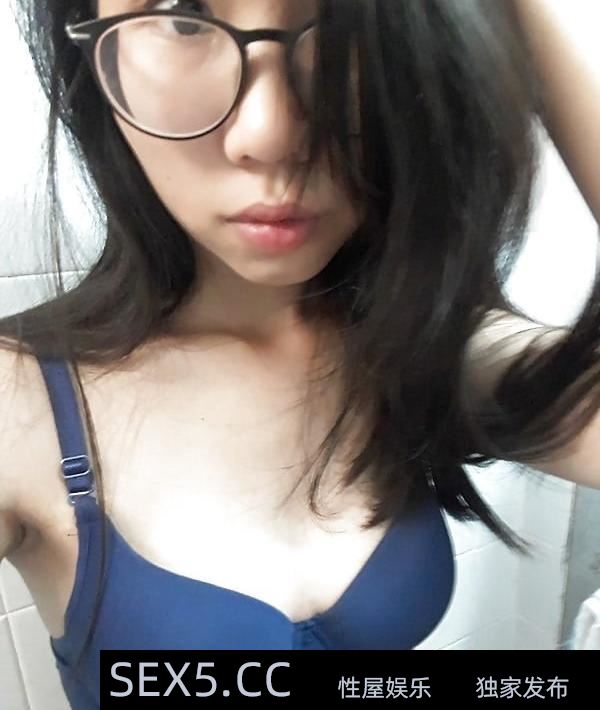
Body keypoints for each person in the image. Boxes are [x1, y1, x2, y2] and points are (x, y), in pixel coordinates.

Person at [0, 0, 598, 706]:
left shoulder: (424, 348)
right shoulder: (19, 399)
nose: (272, 133)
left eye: (347, 25)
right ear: (90, 53)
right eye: (184, 18)